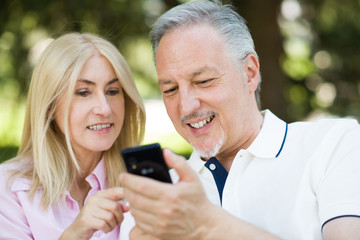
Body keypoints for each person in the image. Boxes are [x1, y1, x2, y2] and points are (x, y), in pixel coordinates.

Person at [119, 1, 360, 239]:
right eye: (170, 89)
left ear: (249, 73)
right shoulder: (160, 197)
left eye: (203, 81)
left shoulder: (333, 144)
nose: (186, 106)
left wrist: (207, 225)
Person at [0, 32, 145, 239]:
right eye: (83, 92)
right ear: (49, 106)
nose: (104, 109)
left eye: (113, 91)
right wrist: (75, 234)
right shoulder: (8, 190)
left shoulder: (143, 186)